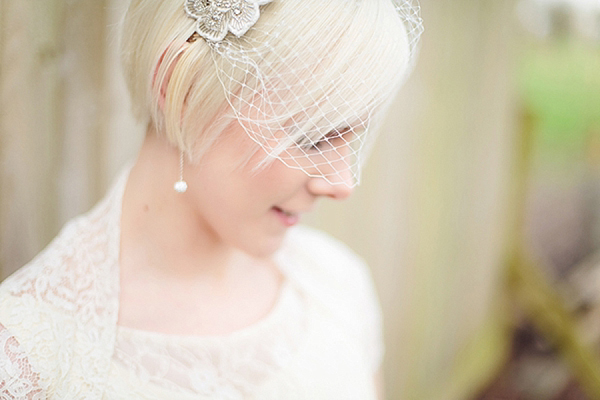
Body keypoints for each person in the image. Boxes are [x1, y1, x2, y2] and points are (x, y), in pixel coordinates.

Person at [0, 0, 422, 398]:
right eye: (314, 137)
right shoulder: (31, 358)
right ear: (180, 93)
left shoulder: (338, 286)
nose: (343, 183)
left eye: (353, 137)